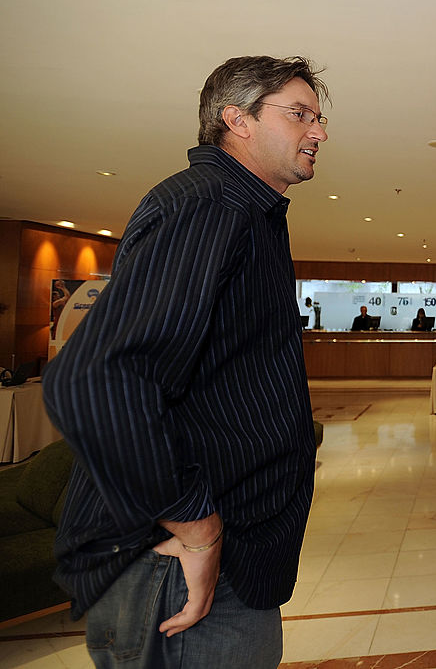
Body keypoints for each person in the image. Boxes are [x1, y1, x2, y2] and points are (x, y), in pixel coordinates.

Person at [41, 55, 329, 669]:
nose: (320, 132)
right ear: (237, 120)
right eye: (300, 114)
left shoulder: (249, 215)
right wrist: (199, 528)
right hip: (175, 552)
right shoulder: (207, 204)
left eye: (320, 117)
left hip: (227, 550)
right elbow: (103, 380)